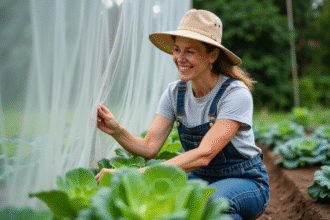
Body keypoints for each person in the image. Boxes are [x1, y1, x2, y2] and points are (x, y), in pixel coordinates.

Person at [96, 9, 270, 220]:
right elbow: (150, 148)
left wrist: (132, 174)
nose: (180, 58)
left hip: (245, 180)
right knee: (156, 198)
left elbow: (204, 154)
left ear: (212, 55)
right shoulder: (174, 93)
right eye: (177, 49)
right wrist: (117, 130)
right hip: (201, 177)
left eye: (190, 51)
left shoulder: (235, 94)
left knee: (214, 204)